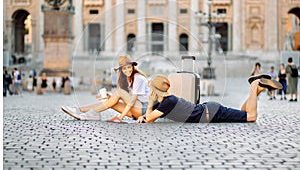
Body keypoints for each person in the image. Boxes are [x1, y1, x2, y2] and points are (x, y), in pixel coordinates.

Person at [136, 74, 282, 124]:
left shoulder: (168, 102)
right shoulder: (167, 100)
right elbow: (149, 117)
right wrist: (144, 116)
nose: (150, 92)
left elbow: (149, 119)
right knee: (243, 112)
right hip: (211, 110)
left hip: (211, 113)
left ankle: (254, 84)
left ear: (156, 91)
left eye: (151, 89)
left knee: (251, 117)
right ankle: (256, 91)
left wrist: (149, 104)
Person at [61, 55, 150, 121]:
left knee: (119, 92)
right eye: (124, 69)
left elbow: (132, 101)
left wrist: (120, 117)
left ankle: (92, 113)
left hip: (143, 110)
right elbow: (128, 99)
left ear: (133, 66)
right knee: (109, 101)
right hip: (136, 112)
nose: (127, 70)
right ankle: (80, 110)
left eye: (129, 67)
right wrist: (111, 97)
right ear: (121, 69)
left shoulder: (138, 78)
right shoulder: (129, 78)